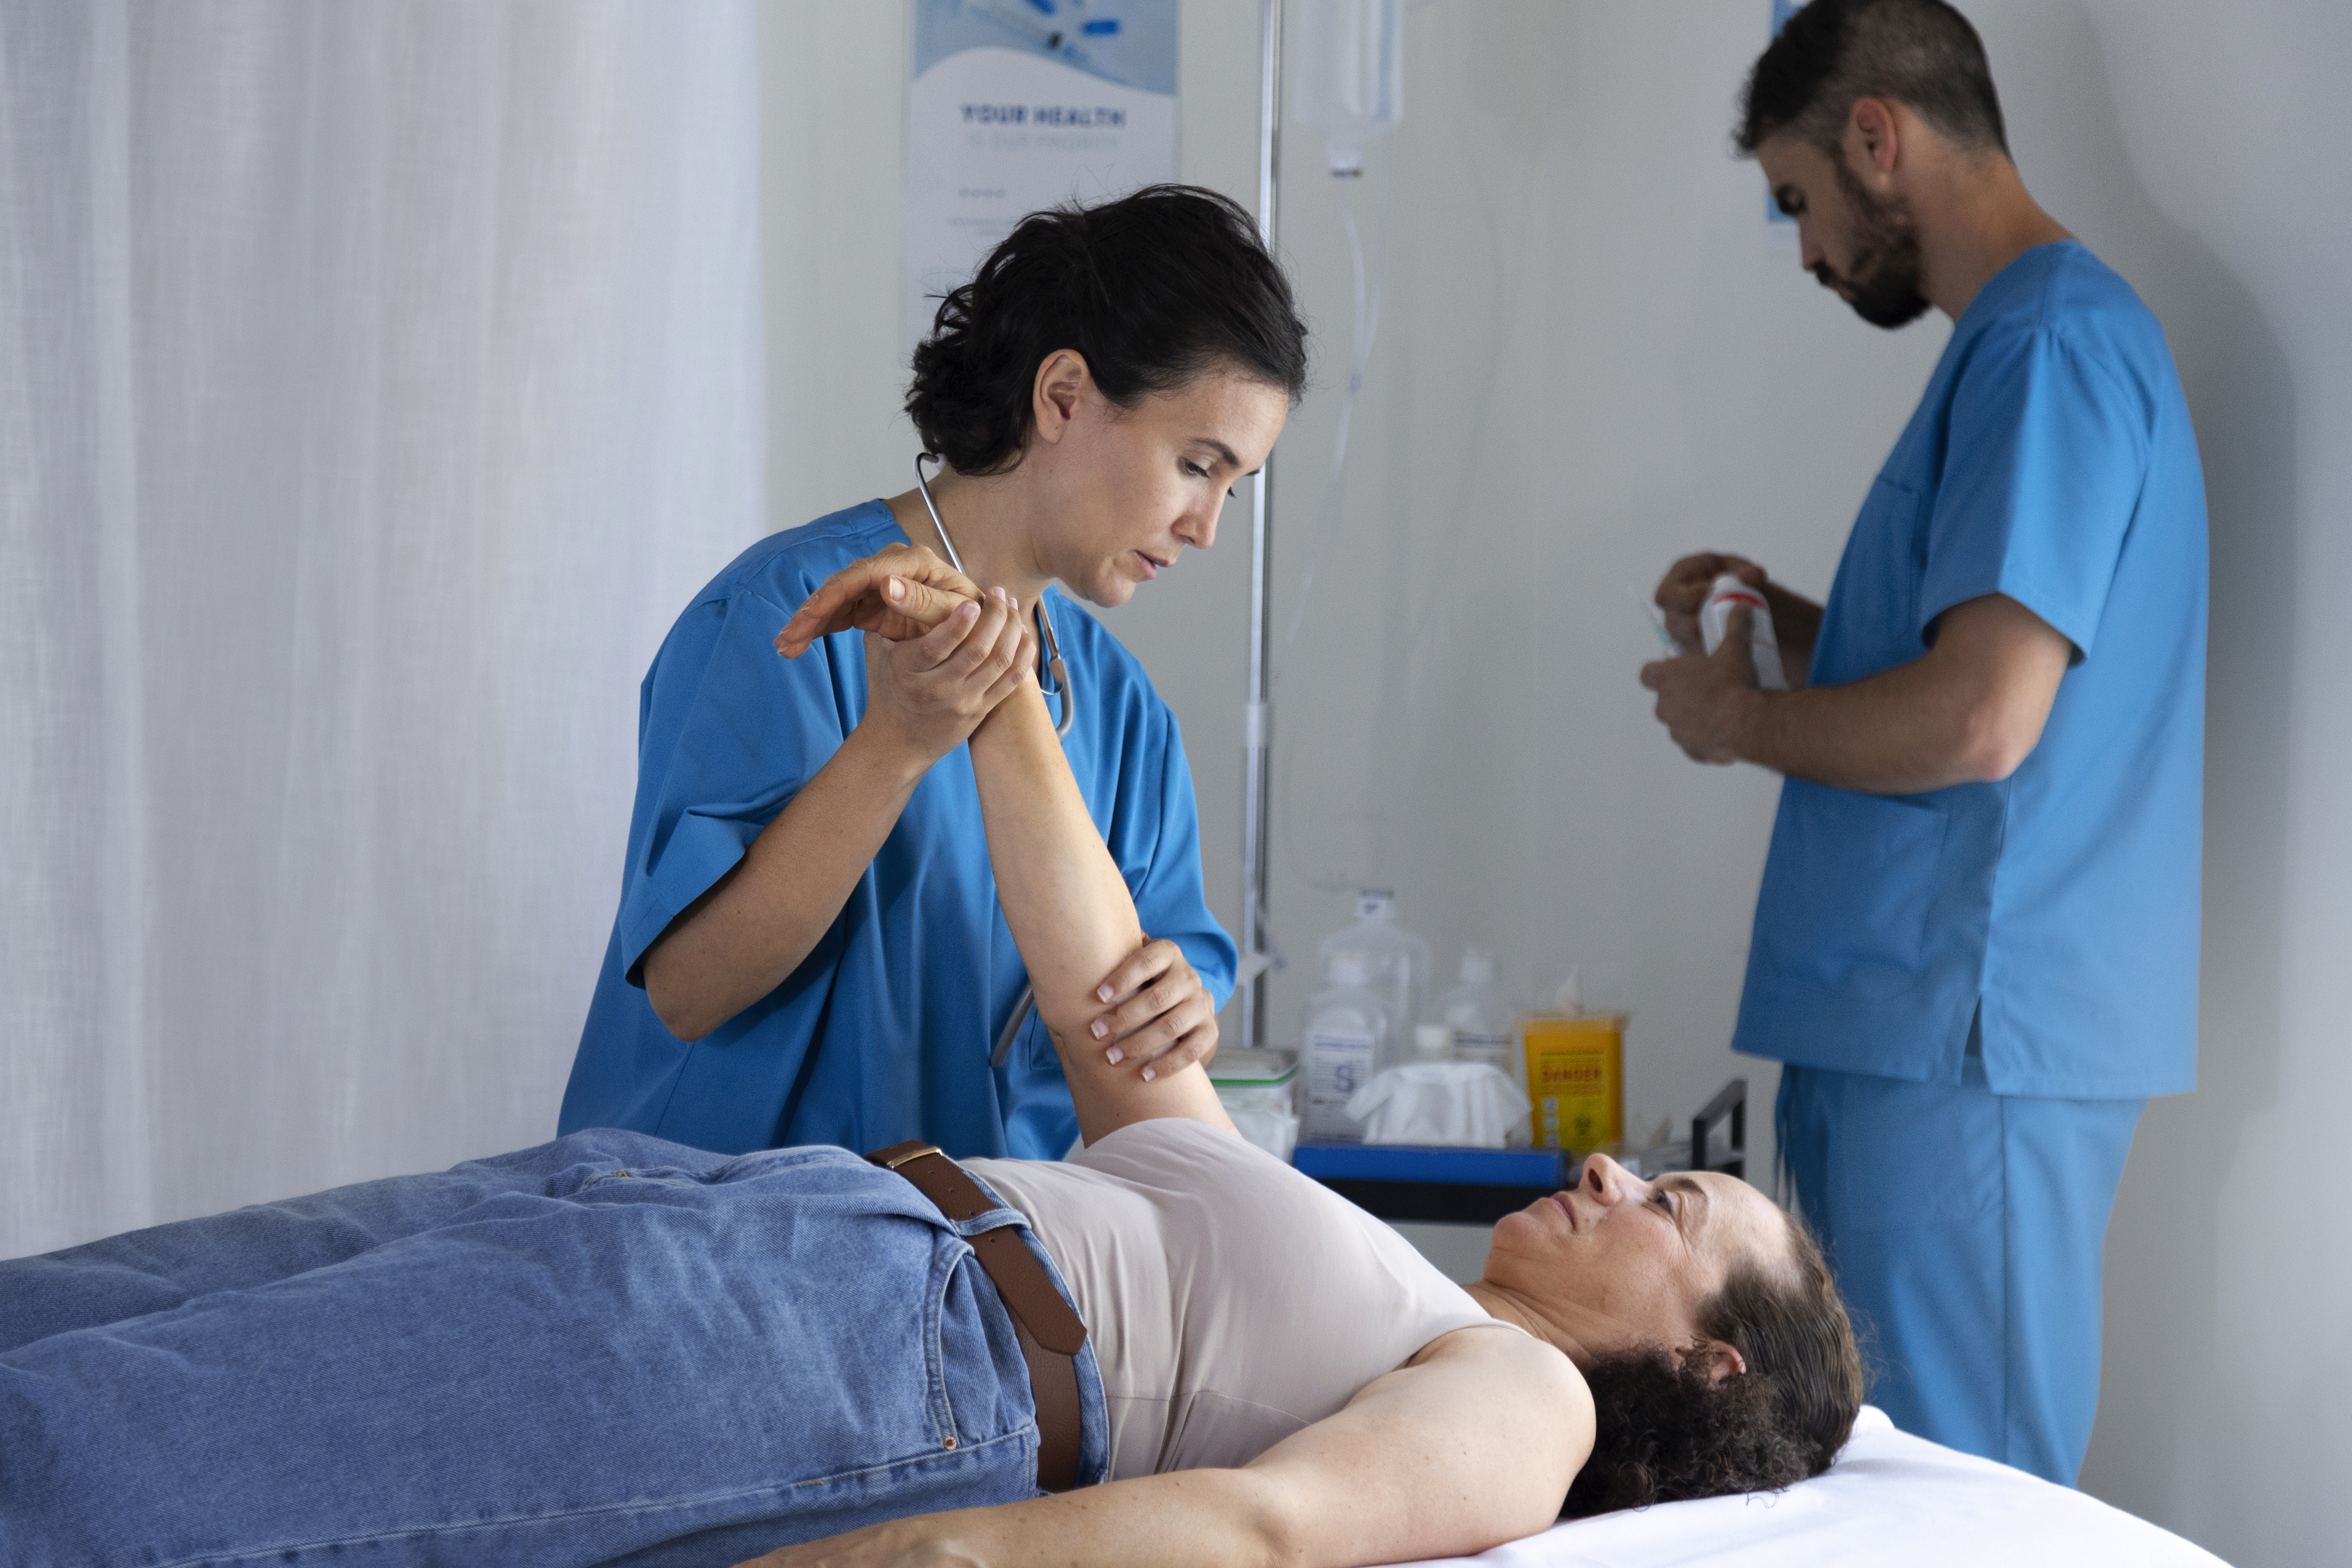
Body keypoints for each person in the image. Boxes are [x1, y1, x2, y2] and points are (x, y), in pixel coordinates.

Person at [3, 554, 1863, 1568]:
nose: (1616, 1171)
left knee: (105, 1461)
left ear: (1709, 1352)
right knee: (80, 1323)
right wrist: (986, 677)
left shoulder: (1523, 1404)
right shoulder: (1363, 1274)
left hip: (878, 1334)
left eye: (1673, 1200)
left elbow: (1265, 1526)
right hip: (757, 1219)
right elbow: (1096, 1007)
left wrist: (924, 1567)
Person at [1637, 0, 2204, 1486]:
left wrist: (1733, 719)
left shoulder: (2054, 350)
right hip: (1908, 1029)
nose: (1810, 251)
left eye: (1799, 200)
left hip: (1969, 1029)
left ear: (1874, 139)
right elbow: (1960, 659)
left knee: (1964, 1492)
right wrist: (1790, 625)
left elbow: (1979, 716)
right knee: (1872, 1485)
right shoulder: (2008, 354)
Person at [559, 183, 1308, 1162]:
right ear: (1065, 397)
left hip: (964, 1274)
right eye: (1197, 466)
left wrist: (1180, 1002)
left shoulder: (1124, 717)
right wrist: (895, 745)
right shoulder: (782, 618)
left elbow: (1172, 978)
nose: (1206, 528)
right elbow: (689, 991)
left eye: (1233, 489)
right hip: (712, 1241)